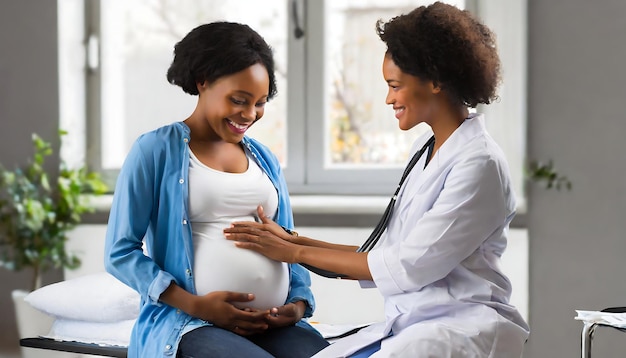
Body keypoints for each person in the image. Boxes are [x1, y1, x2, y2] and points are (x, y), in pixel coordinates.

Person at [224, 3, 530, 357]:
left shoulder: (480, 165)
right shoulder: (428, 149)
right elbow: (389, 252)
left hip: (460, 329)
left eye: (395, 85)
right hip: (418, 324)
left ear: (435, 79)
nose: (389, 99)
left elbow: (408, 266)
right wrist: (293, 241)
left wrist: (292, 252)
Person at [104, 22, 329, 358]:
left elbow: (287, 242)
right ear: (203, 81)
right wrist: (197, 305)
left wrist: (297, 304)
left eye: (260, 102)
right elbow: (120, 253)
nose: (250, 114)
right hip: (191, 323)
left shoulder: (263, 158)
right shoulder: (154, 150)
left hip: (274, 324)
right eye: (239, 100)